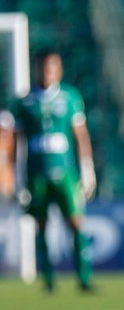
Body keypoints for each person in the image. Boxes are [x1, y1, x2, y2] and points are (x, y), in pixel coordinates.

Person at [9, 51, 97, 292]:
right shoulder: (24, 102)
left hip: (67, 174)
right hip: (36, 175)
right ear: (37, 68)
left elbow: (81, 136)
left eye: (53, 66)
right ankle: (48, 281)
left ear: (60, 69)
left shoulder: (70, 97)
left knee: (77, 222)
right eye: (45, 66)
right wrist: (16, 178)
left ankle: (85, 279)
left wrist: (87, 169)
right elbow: (16, 144)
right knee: (41, 226)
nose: (49, 70)